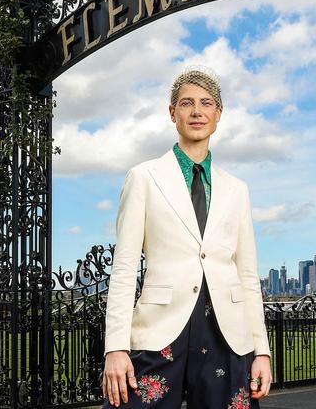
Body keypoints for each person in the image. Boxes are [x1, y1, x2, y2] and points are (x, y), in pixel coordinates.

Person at [101, 65, 272, 408]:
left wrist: (262, 352)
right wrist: (116, 347)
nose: (197, 111)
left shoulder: (237, 190)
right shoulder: (144, 177)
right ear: (172, 113)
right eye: (186, 103)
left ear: (218, 114)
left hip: (226, 334)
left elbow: (248, 275)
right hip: (161, 330)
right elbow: (124, 268)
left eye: (207, 103)